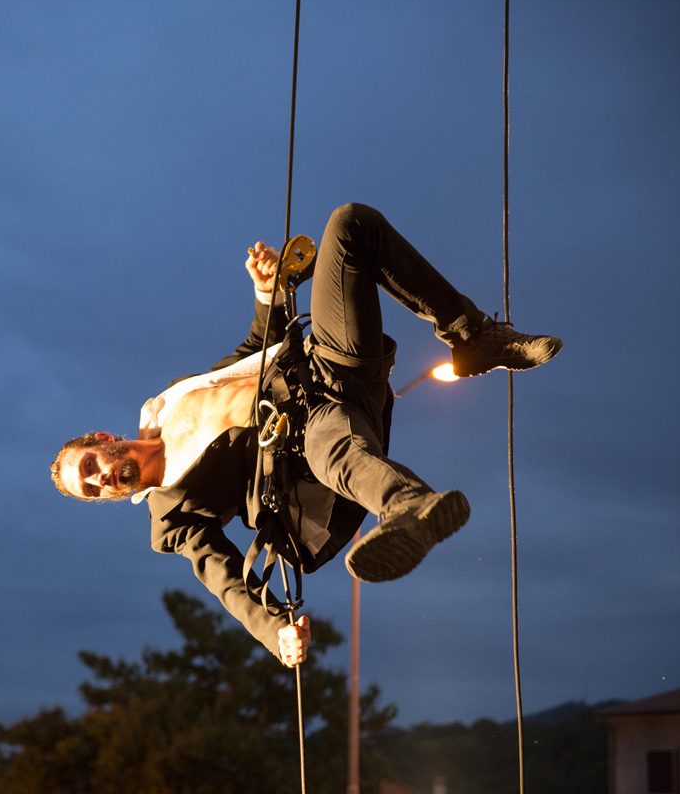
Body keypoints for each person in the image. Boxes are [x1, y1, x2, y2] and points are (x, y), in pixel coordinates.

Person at [50, 203, 561, 668]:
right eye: (91, 490)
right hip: (300, 444)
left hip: (324, 365)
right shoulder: (172, 518)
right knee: (333, 446)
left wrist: (266, 291)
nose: (98, 481)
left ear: (101, 438)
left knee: (350, 226)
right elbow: (224, 580)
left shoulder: (169, 401)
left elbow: (253, 351)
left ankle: (472, 337)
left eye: (89, 467)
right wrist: (276, 633)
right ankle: (409, 508)